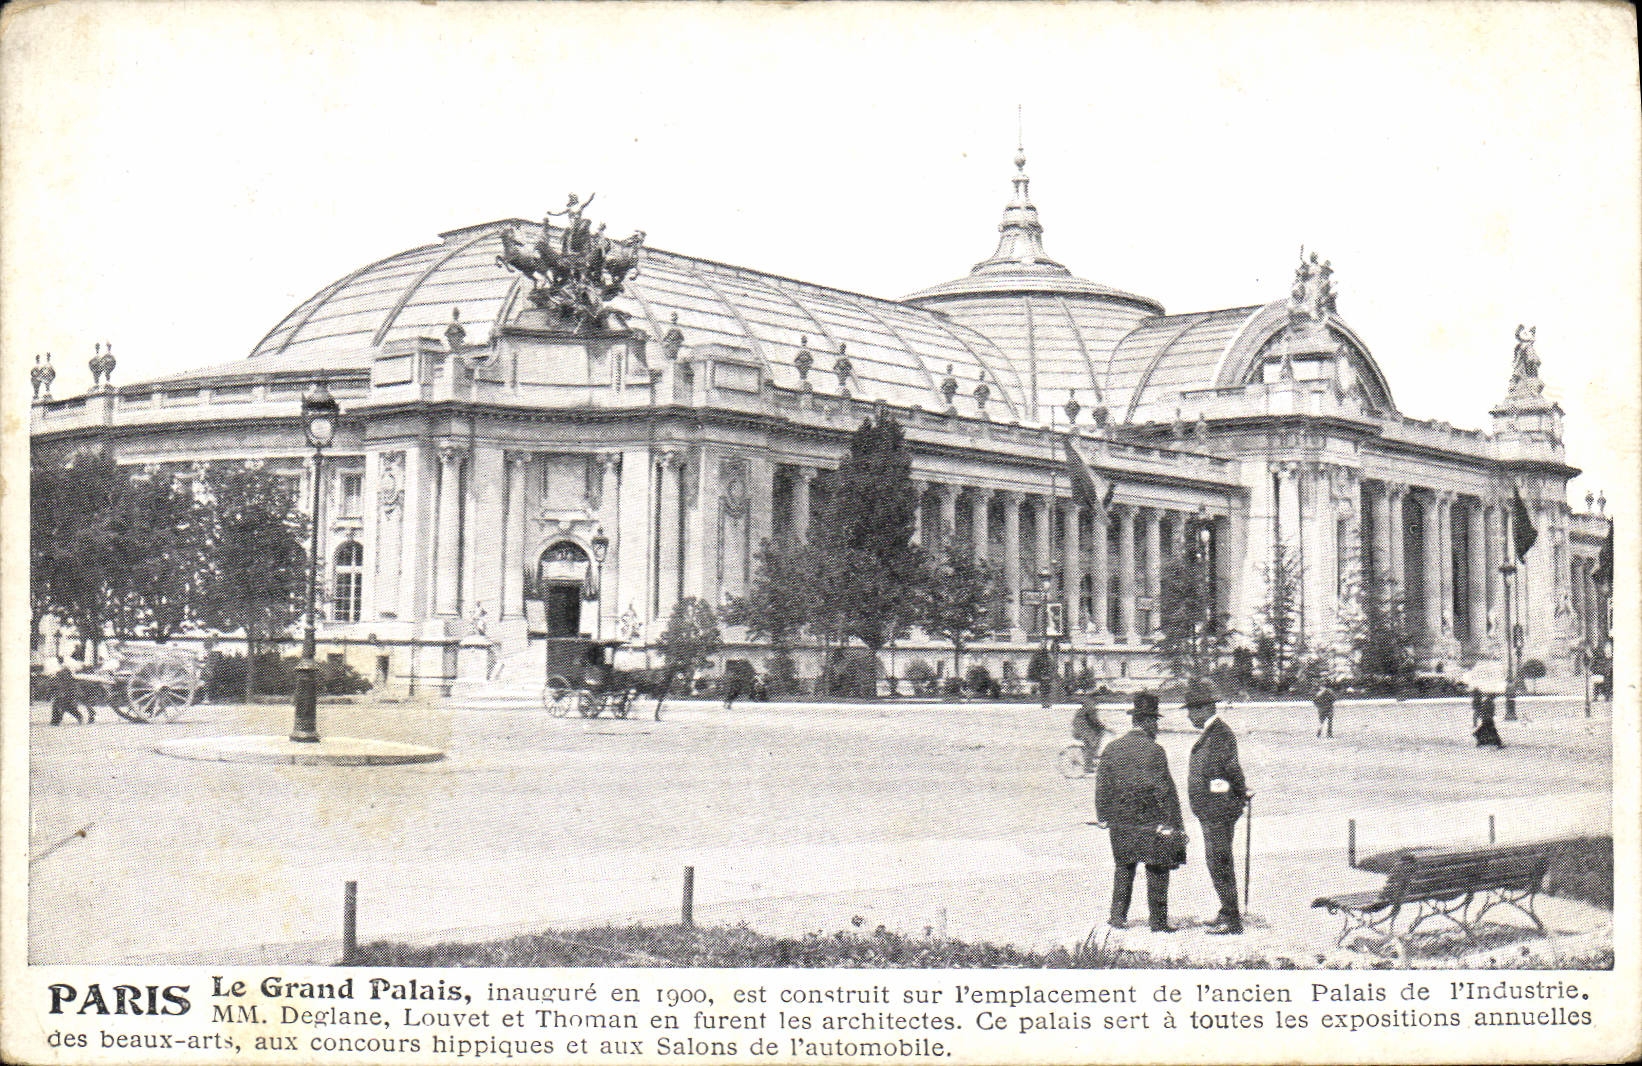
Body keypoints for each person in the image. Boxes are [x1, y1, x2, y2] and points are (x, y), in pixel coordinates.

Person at [1094, 693, 1185, 932]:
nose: (1157, 726)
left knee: (1124, 866)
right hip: (1150, 820)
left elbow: (1102, 785)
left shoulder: (1112, 748)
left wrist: (1103, 816)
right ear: (1147, 722)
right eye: (1155, 721)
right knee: (1157, 868)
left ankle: (1117, 917)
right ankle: (1158, 922)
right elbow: (1164, 790)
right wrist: (1172, 823)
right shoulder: (1155, 751)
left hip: (1120, 821)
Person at [1184, 680, 1248, 935]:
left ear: (1205, 709)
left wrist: (1237, 795)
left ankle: (1231, 920)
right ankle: (1226, 910)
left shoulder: (1219, 734)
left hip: (1217, 812)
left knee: (1219, 862)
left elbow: (1229, 771)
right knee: (1217, 860)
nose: (1189, 715)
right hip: (1213, 810)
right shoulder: (1214, 732)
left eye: (1191, 710)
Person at [47, 645, 88, 726]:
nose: (59, 660)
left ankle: (57, 720)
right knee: (63, 706)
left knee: (65, 706)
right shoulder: (61, 671)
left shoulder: (65, 671)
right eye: (59, 659)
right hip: (64, 692)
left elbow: (66, 682)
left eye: (60, 659)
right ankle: (55, 720)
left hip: (67, 692)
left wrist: (63, 691)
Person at [1071, 692, 1108, 774]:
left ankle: (1091, 760)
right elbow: (1094, 719)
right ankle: (1087, 767)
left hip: (1082, 726)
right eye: (1100, 697)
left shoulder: (1089, 702)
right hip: (1081, 727)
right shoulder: (1091, 705)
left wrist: (1100, 726)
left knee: (1097, 737)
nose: (1101, 699)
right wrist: (1102, 726)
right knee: (1091, 745)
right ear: (1096, 697)